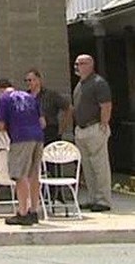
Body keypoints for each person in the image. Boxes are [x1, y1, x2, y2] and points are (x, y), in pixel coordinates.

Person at [0, 78, 45, 226]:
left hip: (21, 138)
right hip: (38, 137)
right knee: (34, 174)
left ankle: (22, 213)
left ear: (0, 91)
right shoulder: (30, 97)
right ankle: (34, 211)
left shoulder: (3, 100)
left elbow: (1, 126)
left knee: (20, 175)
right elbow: (42, 122)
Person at [73, 54, 113, 212]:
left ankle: (103, 200)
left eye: (81, 63)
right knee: (87, 167)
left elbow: (106, 105)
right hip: (81, 130)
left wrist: (103, 124)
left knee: (99, 165)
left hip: (95, 127)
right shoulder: (80, 84)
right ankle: (92, 197)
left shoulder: (98, 83)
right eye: (76, 63)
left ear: (90, 65)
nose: (77, 66)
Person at [26, 69, 70, 146]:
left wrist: (62, 129)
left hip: (50, 132)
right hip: (31, 133)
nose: (28, 83)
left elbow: (68, 108)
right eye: (26, 80)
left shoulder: (50, 95)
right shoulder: (25, 97)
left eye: (30, 80)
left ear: (38, 80)